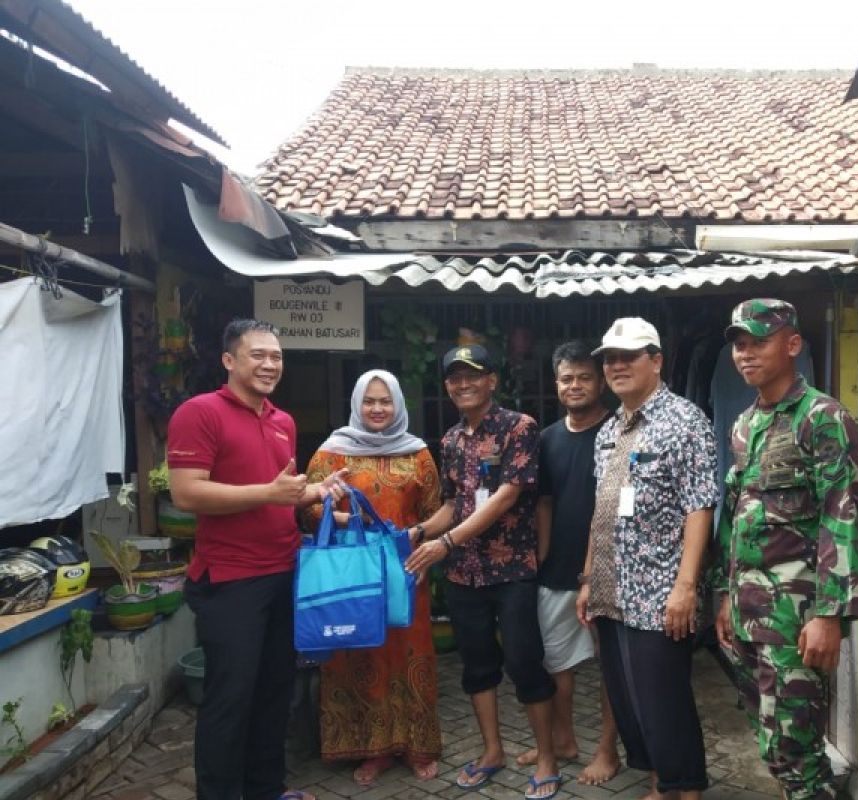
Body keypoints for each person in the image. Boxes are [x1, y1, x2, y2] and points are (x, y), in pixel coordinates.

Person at [167, 319, 347, 800]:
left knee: (275, 693)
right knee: (231, 698)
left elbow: (277, 496)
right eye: (258, 355)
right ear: (229, 361)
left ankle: (267, 789)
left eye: (277, 356)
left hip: (284, 571)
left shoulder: (282, 421)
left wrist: (315, 494)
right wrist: (270, 492)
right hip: (230, 581)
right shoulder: (199, 413)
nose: (271, 364)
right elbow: (187, 494)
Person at [714, 299, 858, 800]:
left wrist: (829, 614)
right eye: (739, 344)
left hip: (797, 616)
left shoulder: (823, 418)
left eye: (758, 341)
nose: (746, 353)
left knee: (798, 748)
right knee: (772, 741)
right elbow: (737, 516)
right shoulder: (744, 425)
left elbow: (840, 517)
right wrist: (724, 594)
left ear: (793, 345)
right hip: (747, 613)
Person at [404, 344, 562, 800]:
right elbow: (454, 503)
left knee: (523, 662)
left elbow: (508, 495)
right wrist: (419, 530)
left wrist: (446, 541)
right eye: (454, 377)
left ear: (492, 380)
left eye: (472, 375)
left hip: (511, 569)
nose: (462, 384)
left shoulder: (519, 427)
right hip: (463, 575)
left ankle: (546, 756)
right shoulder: (451, 439)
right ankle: (492, 752)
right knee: (477, 667)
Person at [577, 317, 719, 800]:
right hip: (612, 589)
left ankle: (688, 789)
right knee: (630, 698)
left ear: (655, 361)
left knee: (666, 700)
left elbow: (700, 506)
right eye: (610, 359)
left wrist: (685, 587)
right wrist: (587, 579)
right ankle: (662, 783)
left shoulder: (686, 420)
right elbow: (604, 509)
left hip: (660, 591)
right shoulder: (607, 430)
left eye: (628, 356)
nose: (616, 366)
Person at [302, 370, 442, 785]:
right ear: (356, 404)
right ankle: (373, 749)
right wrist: (352, 519)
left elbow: (435, 512)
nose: (377, 409)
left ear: (398, 404)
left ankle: (416, 746)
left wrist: (418, 542)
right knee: (359, 651)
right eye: (369, 401)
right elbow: (309, 509)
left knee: (409, 652)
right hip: (352, 574)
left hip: (404, 572)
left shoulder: (419, 455)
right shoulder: (331, 455)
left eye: (385, 401)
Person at [514, 340, 621, 785]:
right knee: (557, 663)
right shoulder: (548, 439)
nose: (575, 386)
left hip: (611, 573)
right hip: (557, 571)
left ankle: (607, 750)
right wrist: (541, 557)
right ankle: (563, 740)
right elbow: (545, 503)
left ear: (600, 382)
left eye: (584, 377)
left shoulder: (619, 432)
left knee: (612, 666)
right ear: (556, 384)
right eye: (566, 378)